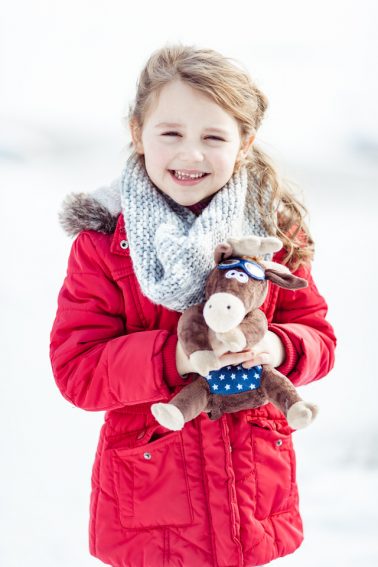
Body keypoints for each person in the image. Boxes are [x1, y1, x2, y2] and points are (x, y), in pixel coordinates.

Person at [50, 44, 336, 567]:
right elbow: (77, 369)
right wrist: (179, 358)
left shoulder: (270, 235)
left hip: (252, 493)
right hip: (151, 497)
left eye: (213, 137)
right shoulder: (104, 243)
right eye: (171, 133)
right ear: (137, 132)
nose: (191, 154)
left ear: (244, 143)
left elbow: (318, 337)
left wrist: (272, 345)